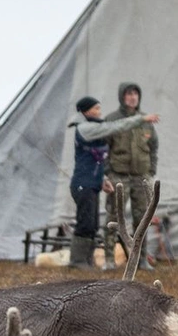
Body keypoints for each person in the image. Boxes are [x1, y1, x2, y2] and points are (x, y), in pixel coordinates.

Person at [68, 93, 155, 270]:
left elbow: (96, 161)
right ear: (86, 111)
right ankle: (78, 261)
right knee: (85, 222)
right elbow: (114, 127)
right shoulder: (86, 129)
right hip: (82, 183)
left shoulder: (92, 127)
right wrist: (141, 119)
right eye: (96, 108)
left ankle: (87, 260)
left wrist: (103, 180)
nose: (100, 112)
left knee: (92, 223)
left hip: (92, 183)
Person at [104, 82, 161, 265]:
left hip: (141, 176)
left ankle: (141, 259)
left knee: (142, 218)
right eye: (129, 94)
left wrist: (151, 169)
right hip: (119, 175)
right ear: (122, 97)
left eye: (135, 94)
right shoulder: (112, 119)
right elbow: (104, 148)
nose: (133, 97)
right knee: (114, 216)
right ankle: (109, 259)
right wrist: (107, 172)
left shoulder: (146, 121)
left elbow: (153, 147)